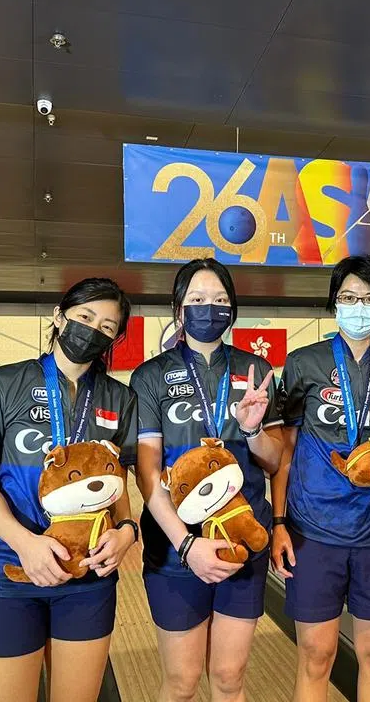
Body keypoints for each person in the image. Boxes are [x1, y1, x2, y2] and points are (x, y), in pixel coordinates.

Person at [0, 277, 139, 702]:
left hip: (87, 576)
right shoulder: (1, 385)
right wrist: (26, 545)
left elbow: (118, 484)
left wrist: (127, 531)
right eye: (85, 317)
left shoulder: (119, 398)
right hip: (8, 570)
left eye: (108, 327)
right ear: (59, 317)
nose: (94, 330)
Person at [132, 258, 283, 702]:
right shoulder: (151, 376)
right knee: (181, 683)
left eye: (219, 300)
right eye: (197, 299)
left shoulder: (255, 371)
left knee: (230, 677)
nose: (209, 308)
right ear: (179, 309)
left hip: (241, 539)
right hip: (175, 550)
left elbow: (273, 462)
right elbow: (146, 473)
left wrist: (254, 428)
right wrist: (186, 545)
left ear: (232, 309)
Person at [270, 255, 370, 702]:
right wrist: (278, 523)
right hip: (314, 530)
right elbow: (285, 450)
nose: (359, 306)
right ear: (335, 303)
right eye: (349, 297)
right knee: (316, 654)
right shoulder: (303, 363)